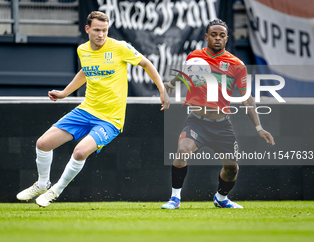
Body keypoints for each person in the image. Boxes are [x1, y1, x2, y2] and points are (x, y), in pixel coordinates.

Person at [16, 11, 170, 207]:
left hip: (110, 119)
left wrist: (162, 90)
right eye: (97, 30)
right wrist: (65, 93)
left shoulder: (120, 48)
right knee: (43, 143)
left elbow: (146, 63)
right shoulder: (83, 50)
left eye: (105, 30)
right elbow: (86, 71)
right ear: (87, 29)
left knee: (80, 152)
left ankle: (56, 190)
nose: (101, 35)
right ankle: (42, 183)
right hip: (86, 110)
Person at [161, 19, 275, 209]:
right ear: (206, 36)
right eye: (213, 34)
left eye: (222, 35)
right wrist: (169, 85)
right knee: (182, 151)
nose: (217, 38)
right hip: (197, 122)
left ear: (227, 38)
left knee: (232, 168)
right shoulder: (196, 57)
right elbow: (186, 75)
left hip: (222, 124)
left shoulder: (236, 64)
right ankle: (175, 199)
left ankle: (221, 198)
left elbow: (247, 98)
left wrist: (259, 127)